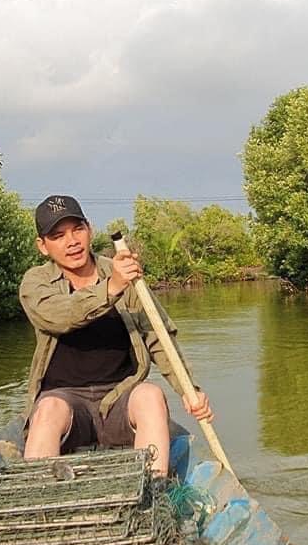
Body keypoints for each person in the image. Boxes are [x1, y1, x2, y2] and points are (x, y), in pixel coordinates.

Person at [17, 194, 213, 477]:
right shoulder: (36, 282)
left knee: (150, 395)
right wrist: (111, 288)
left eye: (77, 230)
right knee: (46, 408)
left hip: (119, 400)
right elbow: (57, 317)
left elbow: (157, 335)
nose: (72, 242)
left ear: (89, 230)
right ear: (43, 246)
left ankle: (152, 488)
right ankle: (34, 496)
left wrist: (189, 389)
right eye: (58, 235)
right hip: (67, 405)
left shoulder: (123, 274)